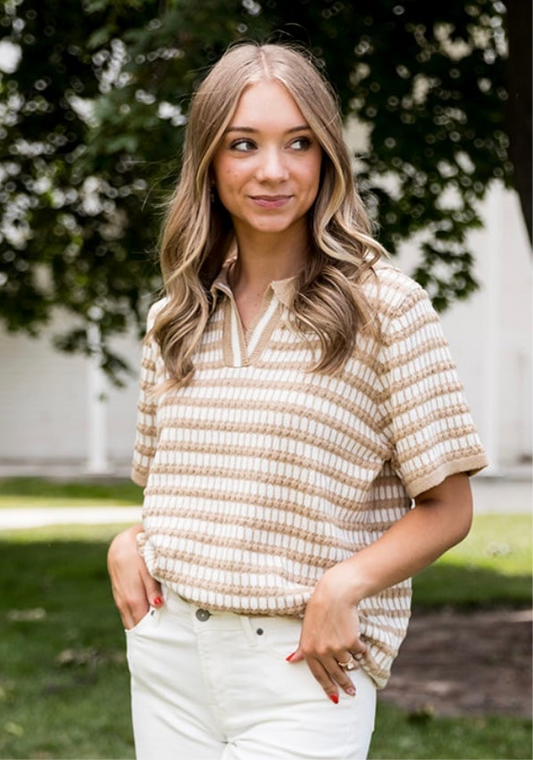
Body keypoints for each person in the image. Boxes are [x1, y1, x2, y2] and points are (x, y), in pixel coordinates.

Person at [107, 42, 487, 760]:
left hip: (303, 668)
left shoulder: (386, 309)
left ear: (327, 159)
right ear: (210, 164)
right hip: (167, 659)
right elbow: (181, 489)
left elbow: (449, 508)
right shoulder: (175, 316)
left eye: (298, 143)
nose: (272, 170)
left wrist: (346, 583)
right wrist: (130, 541)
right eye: (243, 144)